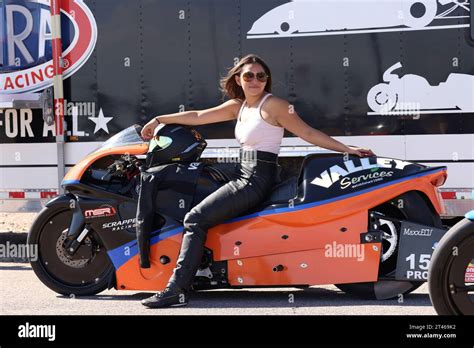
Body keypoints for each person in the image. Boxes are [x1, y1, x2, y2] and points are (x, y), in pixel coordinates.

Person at [139, 54, 375, 308]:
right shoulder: (238, 106)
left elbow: (307, 132)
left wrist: (346, 148)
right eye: (249, 75)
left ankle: (176, 289)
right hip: (243, 172)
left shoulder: (274, 105)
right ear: (238, 80)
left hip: (256, 178)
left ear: (267, 80)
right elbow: (198, 116)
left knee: (195, 219)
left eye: (261, 76)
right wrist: (159, 119)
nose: (255, 80)